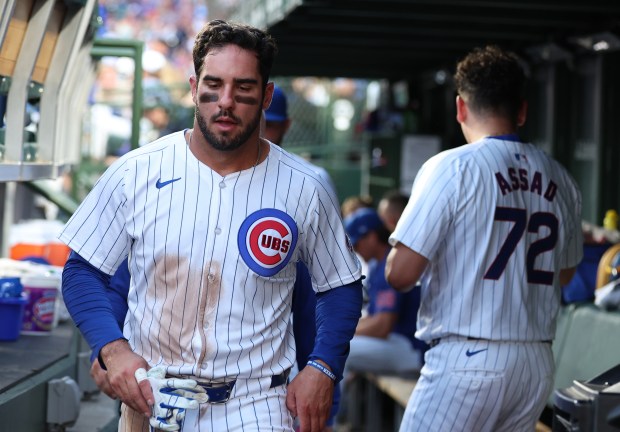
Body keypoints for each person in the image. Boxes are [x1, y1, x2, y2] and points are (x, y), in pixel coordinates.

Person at [60, 19, 363, 432]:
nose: (226, 101)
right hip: (155, 398)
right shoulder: (137, 171)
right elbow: (83, 270)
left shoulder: (304, 187)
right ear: (193, 86)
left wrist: (324, 367)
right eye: (214, 84)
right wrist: (112, 349)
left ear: (265, 95)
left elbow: (340, 284)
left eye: (243, 89)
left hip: (257, 402)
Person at [385, 45, 583, 432]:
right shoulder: (563, 178)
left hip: (468, 356)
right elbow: (564, 274)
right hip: (535, 363)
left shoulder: (451, 166)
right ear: (521, 111)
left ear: (461, 108)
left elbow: (400, 275)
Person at [263, 84, 340, 432]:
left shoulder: (312, 179)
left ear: (286, 126)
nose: (265, 130)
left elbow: (328, 279)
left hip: (297, 314)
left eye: (272, 124)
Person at [342, 208, 424, 375]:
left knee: (340, 349)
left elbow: (382, 326)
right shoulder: (376, 265)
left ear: (372, 237)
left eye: (357, 244)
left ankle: (336, 402)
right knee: (336, 345)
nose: (356, 250)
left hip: (411, 347)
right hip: (395, 341)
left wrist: (341, 331)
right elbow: (374, 319)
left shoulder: (391, 264)